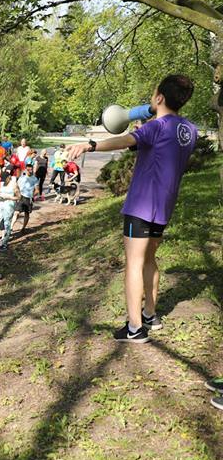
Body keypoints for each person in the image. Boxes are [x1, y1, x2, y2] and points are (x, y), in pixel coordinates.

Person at [66, 74, 196, 345]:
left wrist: (90, 145)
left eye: (153, 94)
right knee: (149, 259)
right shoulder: (188, 130)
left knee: (134, 263)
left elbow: (125, 140)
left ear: (159, 97)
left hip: (141, 205)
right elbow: (161, 150)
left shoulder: (156, 127)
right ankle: (150, 315)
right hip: (164, 205)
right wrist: (150, 121)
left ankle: (135, 328)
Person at [0, 172, 20, 249]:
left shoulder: (14, 184)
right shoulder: (2, 183)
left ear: (9, 177)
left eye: (5, 179)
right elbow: (0, 191)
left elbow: (18, 197)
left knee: (7, 224)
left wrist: (8, 197)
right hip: (1, 205)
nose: (3, 181)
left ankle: (4, 243)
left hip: (9, 206)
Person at [14, 165, 39, 233]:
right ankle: (10, 227)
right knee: (16, 212)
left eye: (31, 169)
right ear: (25, 170)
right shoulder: (21, 178)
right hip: (21, 197)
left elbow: (37, 190)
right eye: (28, 170)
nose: (30, 171)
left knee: (27, 213)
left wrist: (32, 196)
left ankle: (23, 228)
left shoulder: (35, 179)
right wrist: (17, 194)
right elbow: (16, 186)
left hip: (28, 198)